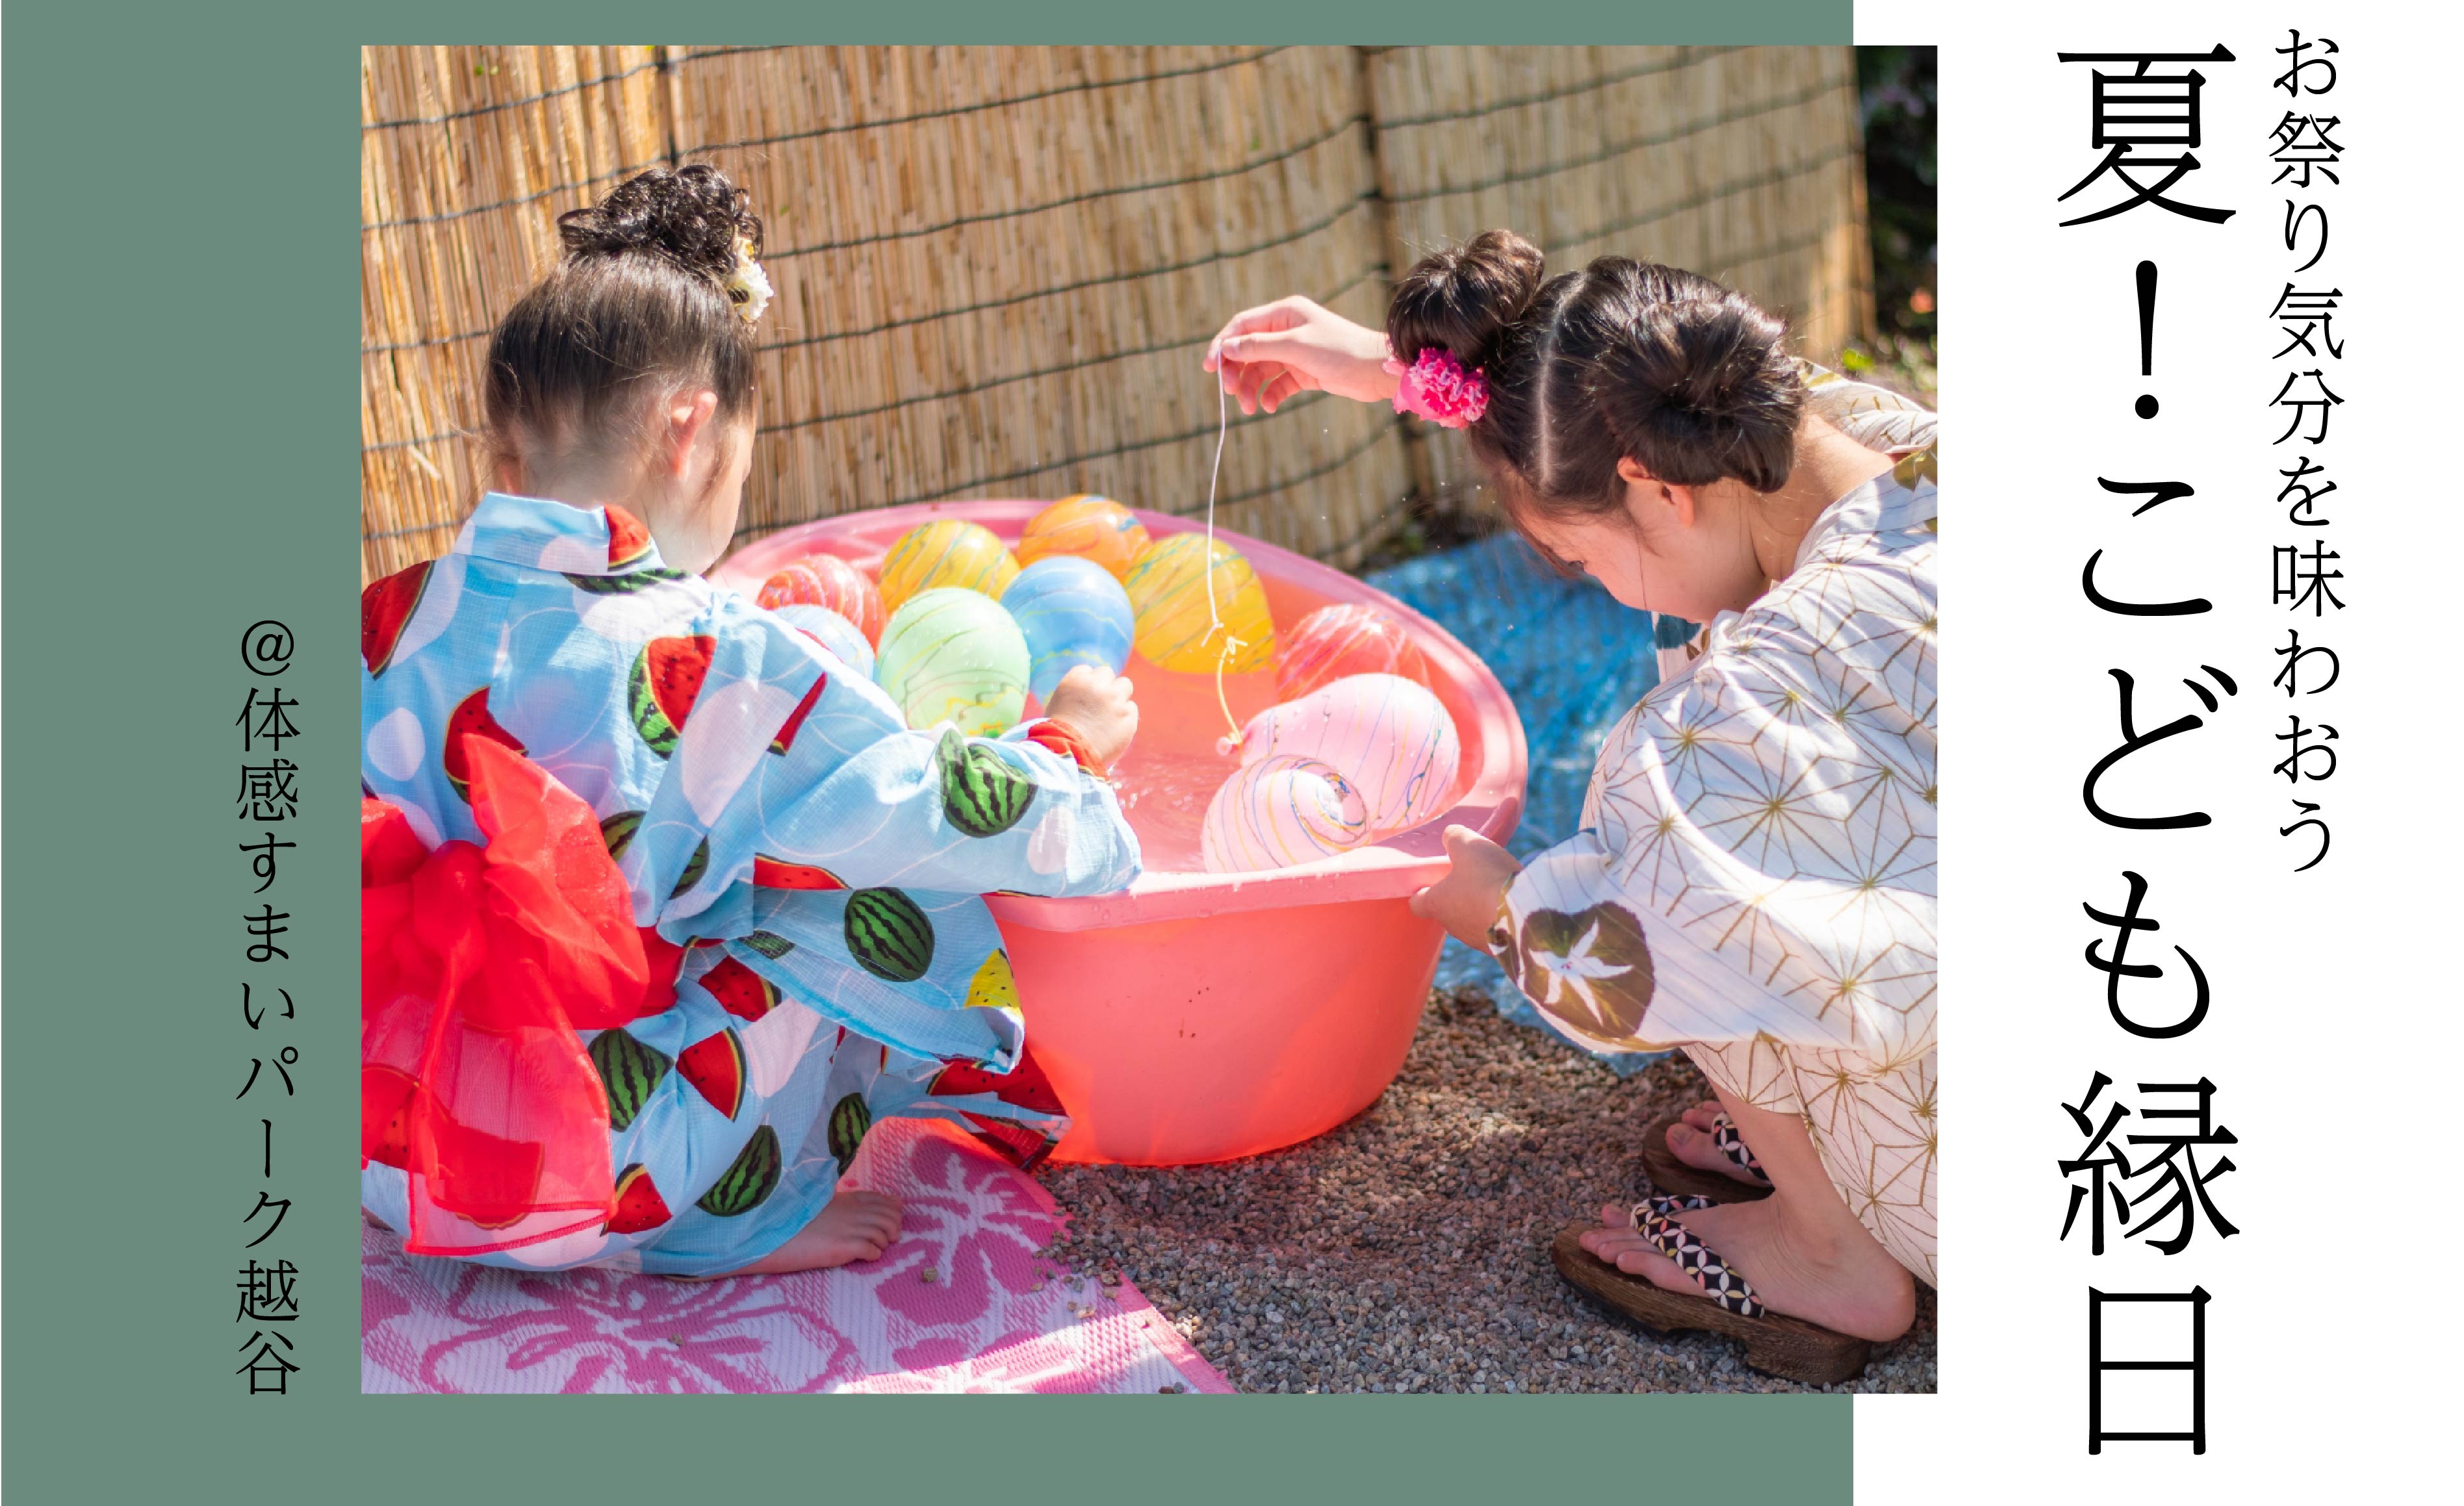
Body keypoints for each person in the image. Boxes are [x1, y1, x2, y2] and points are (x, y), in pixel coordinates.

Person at [361, 165, 1142, 1278]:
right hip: (601, 1173)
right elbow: (917, 800)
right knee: (866, 869)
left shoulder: (385, 619)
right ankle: (734, 1220)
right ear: (692, 433)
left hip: (396, 1154)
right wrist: (1066, 750)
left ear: (504, 462)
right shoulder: (708, 652)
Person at [1207, 232, 1936, 1351]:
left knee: (1681, 875)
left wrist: (1473, 889)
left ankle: (1835, 1249)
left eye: (1582, 559)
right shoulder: (1893, 453)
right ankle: (1834, 1134)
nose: (1597, 585)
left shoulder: (1741, 718)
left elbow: (1617, 964)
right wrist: (1393, 367)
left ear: (1655, 487)